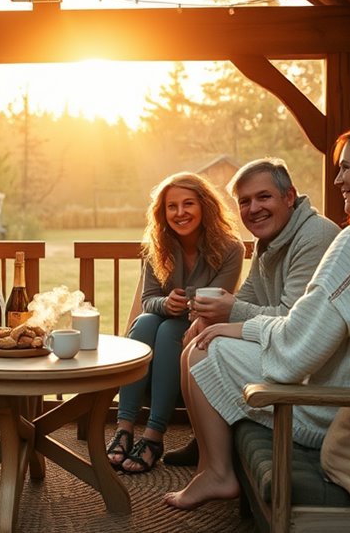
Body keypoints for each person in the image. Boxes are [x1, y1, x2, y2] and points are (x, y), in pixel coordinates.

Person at [164, 124, 350, 510]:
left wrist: (240, 326)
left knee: (205, 350)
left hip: (338, 405)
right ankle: (212, 463)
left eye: (346, 168)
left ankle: (217, 473)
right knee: (210, 337)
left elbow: (297, 350)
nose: (338, 179)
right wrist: (235, 321)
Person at [163, 158, 340, 466]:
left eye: (263, 197)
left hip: (313, 368)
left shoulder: (315, 236)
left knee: (206, 348)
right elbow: (247, 296)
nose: (253, 208)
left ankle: (216, 466)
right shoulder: (267, 241)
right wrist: (209, 316)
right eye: (244, 202)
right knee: (195, 340)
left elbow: (293, 317)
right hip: (284, 345)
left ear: (289, 196)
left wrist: (230, 310)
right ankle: (204, 438)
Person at [107, 172, 245, 474]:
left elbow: (216, 303)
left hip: (203, 332)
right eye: (172, 206)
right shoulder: (158, 247)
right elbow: (149, 299)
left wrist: (179, 306)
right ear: (163, 212)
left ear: (204, 206)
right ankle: (124, 428)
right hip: (163, 326)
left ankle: (154, 436)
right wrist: (166, 303)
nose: (180, 213)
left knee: (169, 328)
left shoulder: (231, 248)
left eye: (188, 204)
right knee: (145, 322)